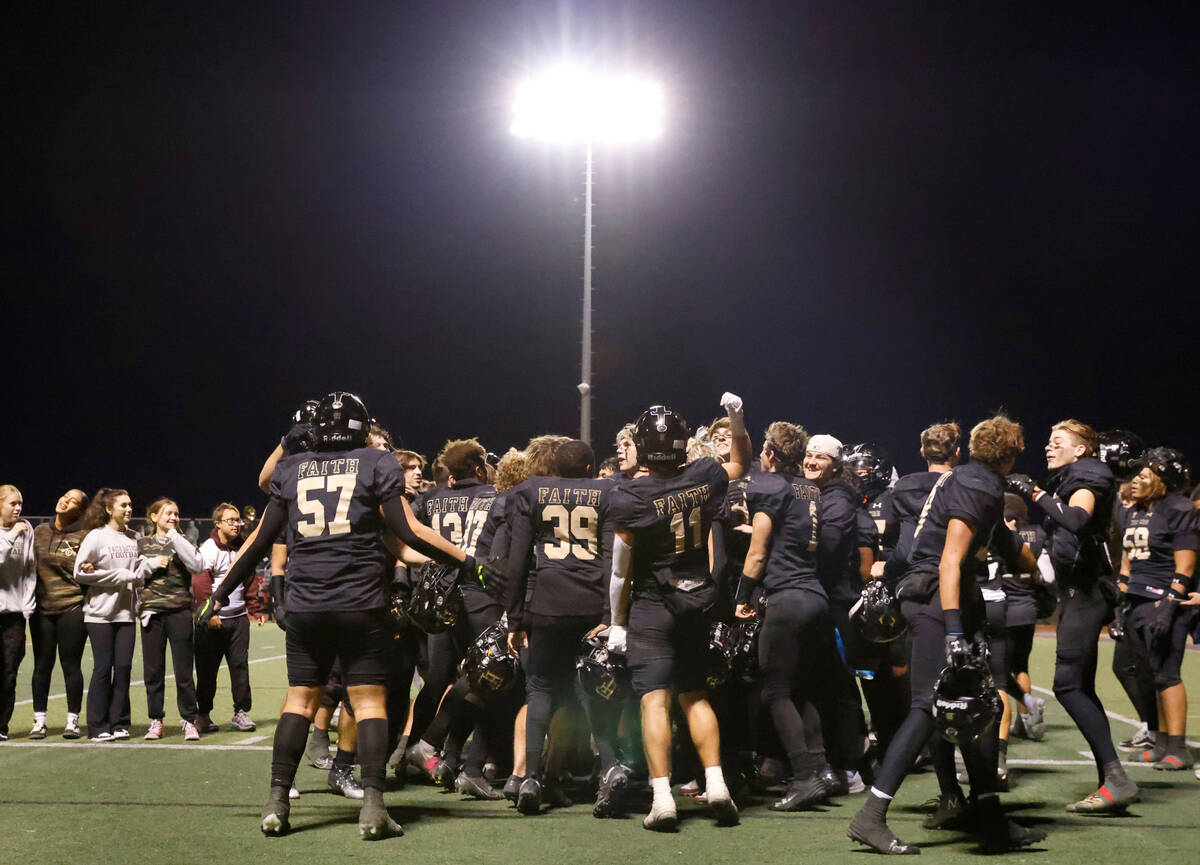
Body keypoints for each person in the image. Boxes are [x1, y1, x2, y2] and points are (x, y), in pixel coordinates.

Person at [198, 391, 476, 840]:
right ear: (359, 427)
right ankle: (372, 807)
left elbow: (259, 541)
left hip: (307, 603)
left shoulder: (291, 468)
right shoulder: (374, 462)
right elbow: (405, 531)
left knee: (299, 699)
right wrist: (466, 562)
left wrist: (219, 592)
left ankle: (276, 802)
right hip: (361, 601)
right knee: (367, 701)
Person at [849, 416, 1045, 855]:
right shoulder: (979, 486)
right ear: (1012, 452)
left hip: (941, 598)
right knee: (926, 707)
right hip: (939, 599)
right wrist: (955, 632)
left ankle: (990, 818)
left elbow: (1006, 546)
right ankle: (871, 816)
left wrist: (1038, 573)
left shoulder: (969, 479)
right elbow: (950, 560)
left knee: (985, 704)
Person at [602, 393, 751, 831]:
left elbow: (618, 572)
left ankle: (663, 796)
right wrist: (737, 421)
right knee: (695, 694)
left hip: (653, 604)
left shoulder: (629, 494)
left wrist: (616, 623)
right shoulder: (704, 474)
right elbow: (740, 463)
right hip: (696, 599)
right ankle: (717, 783)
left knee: (654, 699)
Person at [1007, 419, 1136, 812]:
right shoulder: (1075, 475)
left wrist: (1033, 490)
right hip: (1079, 592)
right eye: (1047, 439)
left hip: (1087, 593)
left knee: (1067, 686)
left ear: (1081, 449)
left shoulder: (1088, 473)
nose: (1048, 446)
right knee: (1080, 685)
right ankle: (1111, 779)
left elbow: (1076, 519)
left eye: (1057, 440)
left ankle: (1116, 777)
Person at [504, 439, 622, 817]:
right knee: (591, 688)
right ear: (590, 469)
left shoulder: (531, 491)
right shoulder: (606, 492)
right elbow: (611, 559)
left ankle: (532, 778)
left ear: (554, 466)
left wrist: (514, 616)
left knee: (539, 689)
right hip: (590, 603)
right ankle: (609, 767)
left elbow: (516, 560)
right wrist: (610, 614)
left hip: (549, 605)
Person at [734, 422, 839, 811]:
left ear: (772, 454)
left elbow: (759, 551)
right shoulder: (807, 487)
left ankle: (804, 775)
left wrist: (742, 595)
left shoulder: (768, 485)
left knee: (774, 689)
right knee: (800, 689)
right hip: (815, 595)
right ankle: (822, 767)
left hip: (787, 597)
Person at [1116, 448, 1196, 770]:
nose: (1136, 479)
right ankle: (1162, 742)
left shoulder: (1178, 508)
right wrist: (1121, 604)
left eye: (1144, 473)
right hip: (1137, 600)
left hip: (1161, 600)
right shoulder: (1135, 510)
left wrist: (1168, 605)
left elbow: (1186, 565)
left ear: (1163, 479)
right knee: (1151, 675)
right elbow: (1128, 560)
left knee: (1167, 674)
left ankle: (1179, 747)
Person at [74, 489, 160, 741]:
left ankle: (120, 722)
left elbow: (139, 571)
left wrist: (146, 566)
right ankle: (97, 726)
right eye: (123, 505)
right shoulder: (96, 536)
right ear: (109, 509)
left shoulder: (134, 537)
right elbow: (80, 574)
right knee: (103, 668)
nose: (129, 509)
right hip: (99, 614)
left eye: (130, 505)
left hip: (125, 614)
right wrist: (117, 576)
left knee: (123, 668)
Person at [137, 498, 205, 741]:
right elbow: (134, 575)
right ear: (154, 517)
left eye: (176, 513)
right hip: (152, 613)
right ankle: (156, 720)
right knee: (153, 670)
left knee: (184, 671)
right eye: (168, 513)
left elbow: (197, 565)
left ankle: (189, 720)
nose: (173, 517)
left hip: (179, 612)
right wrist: (150, 564)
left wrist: (176, 537)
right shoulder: (142, 543)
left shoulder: (183, 541)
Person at [194, 502, 261, 733]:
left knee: (240, 666)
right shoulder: (209, 548)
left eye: (237, 520)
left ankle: (240, 712)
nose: (236, 524)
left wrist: (254, 608)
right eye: (230, 520)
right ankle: (202, 715)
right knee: (207, 669)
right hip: (214, 620)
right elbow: (201, 584)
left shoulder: (242, 548)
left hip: (238, 619)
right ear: (218, 523)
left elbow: (250, 579)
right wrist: (210, 613)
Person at [30, 488, 90, 738]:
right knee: (42, 665)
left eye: (72, 500)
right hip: (42, 610)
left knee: (71, 665)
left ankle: (72, 721)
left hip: (72, 607)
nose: (65, 501)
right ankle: (39, 721)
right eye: (64, 496)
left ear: (81, 510)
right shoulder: (38, 532)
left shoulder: (85, 536)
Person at [0, 485, 37, 740]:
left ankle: (1, 726)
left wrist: (27, 605)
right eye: (13, 503)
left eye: (20, 503)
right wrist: (11, 535)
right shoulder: (15, 531)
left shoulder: (26, 530)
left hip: (13, 615)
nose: (18, 508)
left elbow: (29, 570)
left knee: (9, 671)